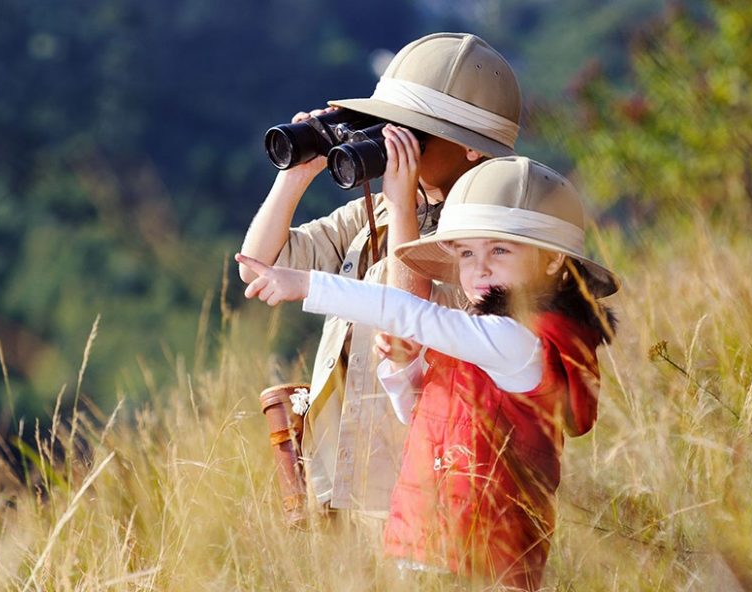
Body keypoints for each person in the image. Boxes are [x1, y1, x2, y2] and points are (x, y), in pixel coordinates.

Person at [236, 156, 619, 590]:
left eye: (500, 249)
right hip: (425, 545)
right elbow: (420, 417)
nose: (480, 267)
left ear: (551, 261)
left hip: (485, 558)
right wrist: (404, 367)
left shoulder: (520, 341)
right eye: (466, 253)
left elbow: (412, 314)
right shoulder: (481, 338)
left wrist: (308, 285)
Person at [238, 32, 523, 515]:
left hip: (419, 476)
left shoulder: (489, 239)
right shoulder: (384, 213)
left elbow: (406, 321)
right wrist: (296, 174)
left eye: (415, 132)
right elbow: (260, 266)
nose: (394, 140)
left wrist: (399, 202)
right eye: (389, 125)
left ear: (473, 148)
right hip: (342, 460)